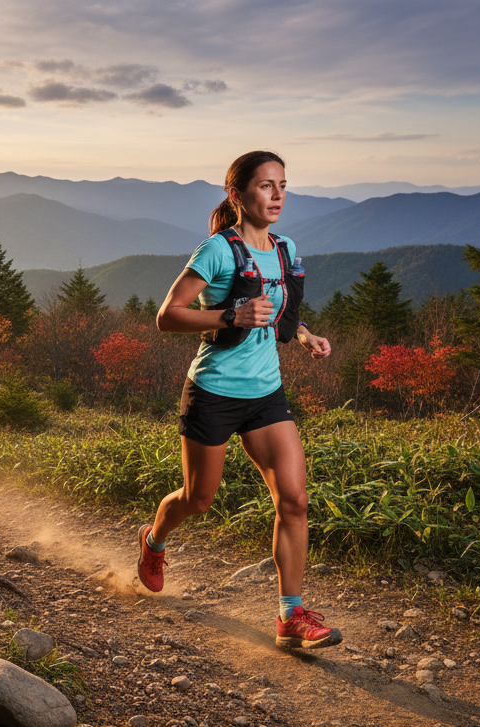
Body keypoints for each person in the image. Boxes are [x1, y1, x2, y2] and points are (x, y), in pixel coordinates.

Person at [136, 150, 341, 650]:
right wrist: (231, 317)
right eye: (266, 186)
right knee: (197, 499)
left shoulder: (287, 248)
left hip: (266, 394)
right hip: (213, 392)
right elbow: (168, 316)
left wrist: (305, 334)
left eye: (283, 185)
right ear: (237, 194)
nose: (277, 196)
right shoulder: (217, 251)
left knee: (294, 500)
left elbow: (275, 310)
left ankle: (290, 617)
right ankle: (153, 541)